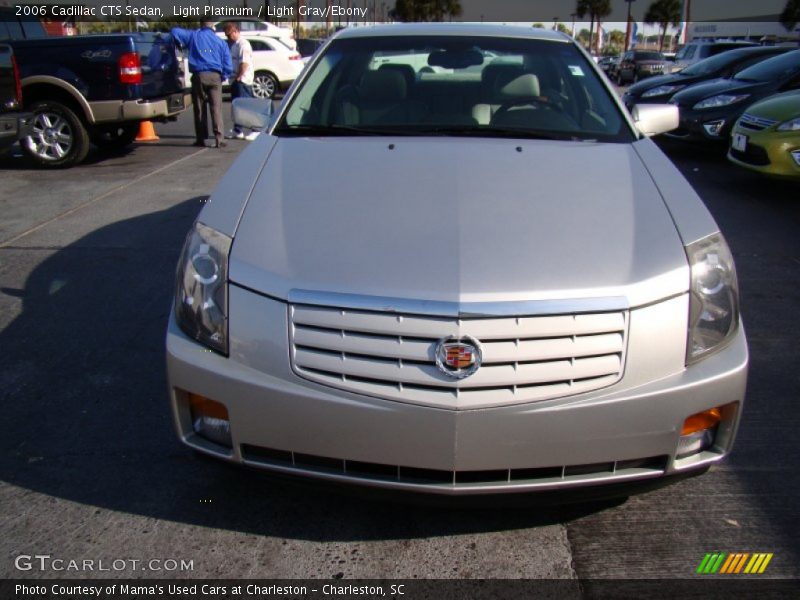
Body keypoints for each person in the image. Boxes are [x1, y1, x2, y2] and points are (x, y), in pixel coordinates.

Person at [171, 21, 232, 148]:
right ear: (213, 27)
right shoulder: (220, 42)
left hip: (199, 76)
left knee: (199, 108)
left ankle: (201, 138)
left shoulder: (193, 36)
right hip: (215, 76)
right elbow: (228, 64)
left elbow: (175, 32)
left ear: (201, 25)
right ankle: (219, 139)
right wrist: (223, 76)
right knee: (216, 109)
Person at [223, 23, 259, 141]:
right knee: (237, 106)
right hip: (235, 79)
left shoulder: (243, 45)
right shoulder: (233, 45)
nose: (228, 38)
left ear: (236, 31)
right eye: (227, 35)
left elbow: (244, 63)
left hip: (243, 80)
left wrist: (239, 77)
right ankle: (238, 130)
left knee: (246, 105)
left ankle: (256, 130)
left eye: (229, 35)